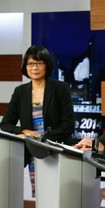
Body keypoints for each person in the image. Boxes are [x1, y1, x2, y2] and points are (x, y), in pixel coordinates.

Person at [0, 45, 74, 197]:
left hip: (56, 150)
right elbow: (5, 124)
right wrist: (24, 132)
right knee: (41, 195)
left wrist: (42, 140)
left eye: (39, 63)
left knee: (59, 196)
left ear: (47, 65)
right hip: (32, 153)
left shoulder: (61, 88)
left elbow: (68, 125)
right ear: (25, 67)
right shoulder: (20, 92)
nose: (34, 67)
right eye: (30, 64)